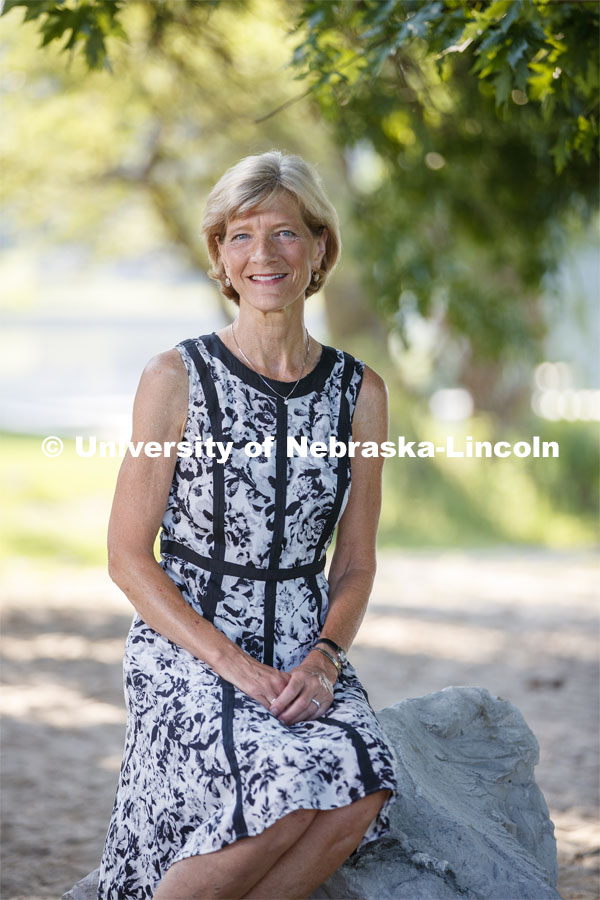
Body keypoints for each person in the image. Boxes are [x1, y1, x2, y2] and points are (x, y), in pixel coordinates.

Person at [97, 149, 397, 900]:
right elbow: (128, 557)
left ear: (321, 247)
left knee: (364, 780)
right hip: (189, 643)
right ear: (220, 257)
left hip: (303, 641)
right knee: (286, 785)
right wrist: (236, 669)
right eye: (239, 235)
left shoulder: (360, 393)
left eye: (285, 234)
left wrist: (324, 659)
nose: (262, 254)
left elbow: (356, 563)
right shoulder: (175, 377)